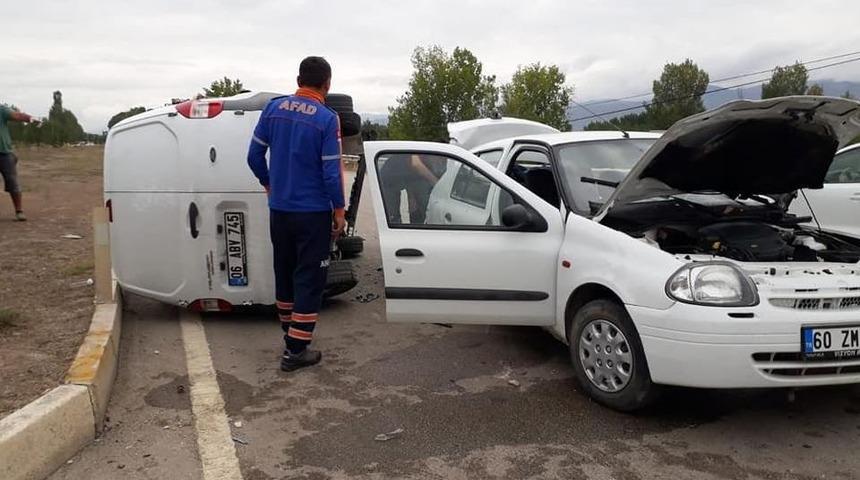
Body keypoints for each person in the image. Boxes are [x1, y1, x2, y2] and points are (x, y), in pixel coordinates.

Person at [247, 56, 346, 372]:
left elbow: (253, 156)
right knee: (309, 278)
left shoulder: (273, 109)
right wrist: (339, 210)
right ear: (326, 84)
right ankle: (295, 351)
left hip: (280, 211)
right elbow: (332, 173)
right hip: (312, 214)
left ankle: (290, 335)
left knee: (285, 273)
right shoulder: (327, 119)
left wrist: (268, 183)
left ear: (299, 79)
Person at [379, 153, 446, 224]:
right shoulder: (418, 152)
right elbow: (416, 164)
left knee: (416, 206)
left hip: (410, 176)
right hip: (390, 177)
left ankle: (416, 226)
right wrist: (438, 184)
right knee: (392, 215)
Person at [0, 105, 38, 221]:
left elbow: (16, 115)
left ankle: (19, 211)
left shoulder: (1, 110)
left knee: (12, 182)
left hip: (4, 153)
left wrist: (30, 118)